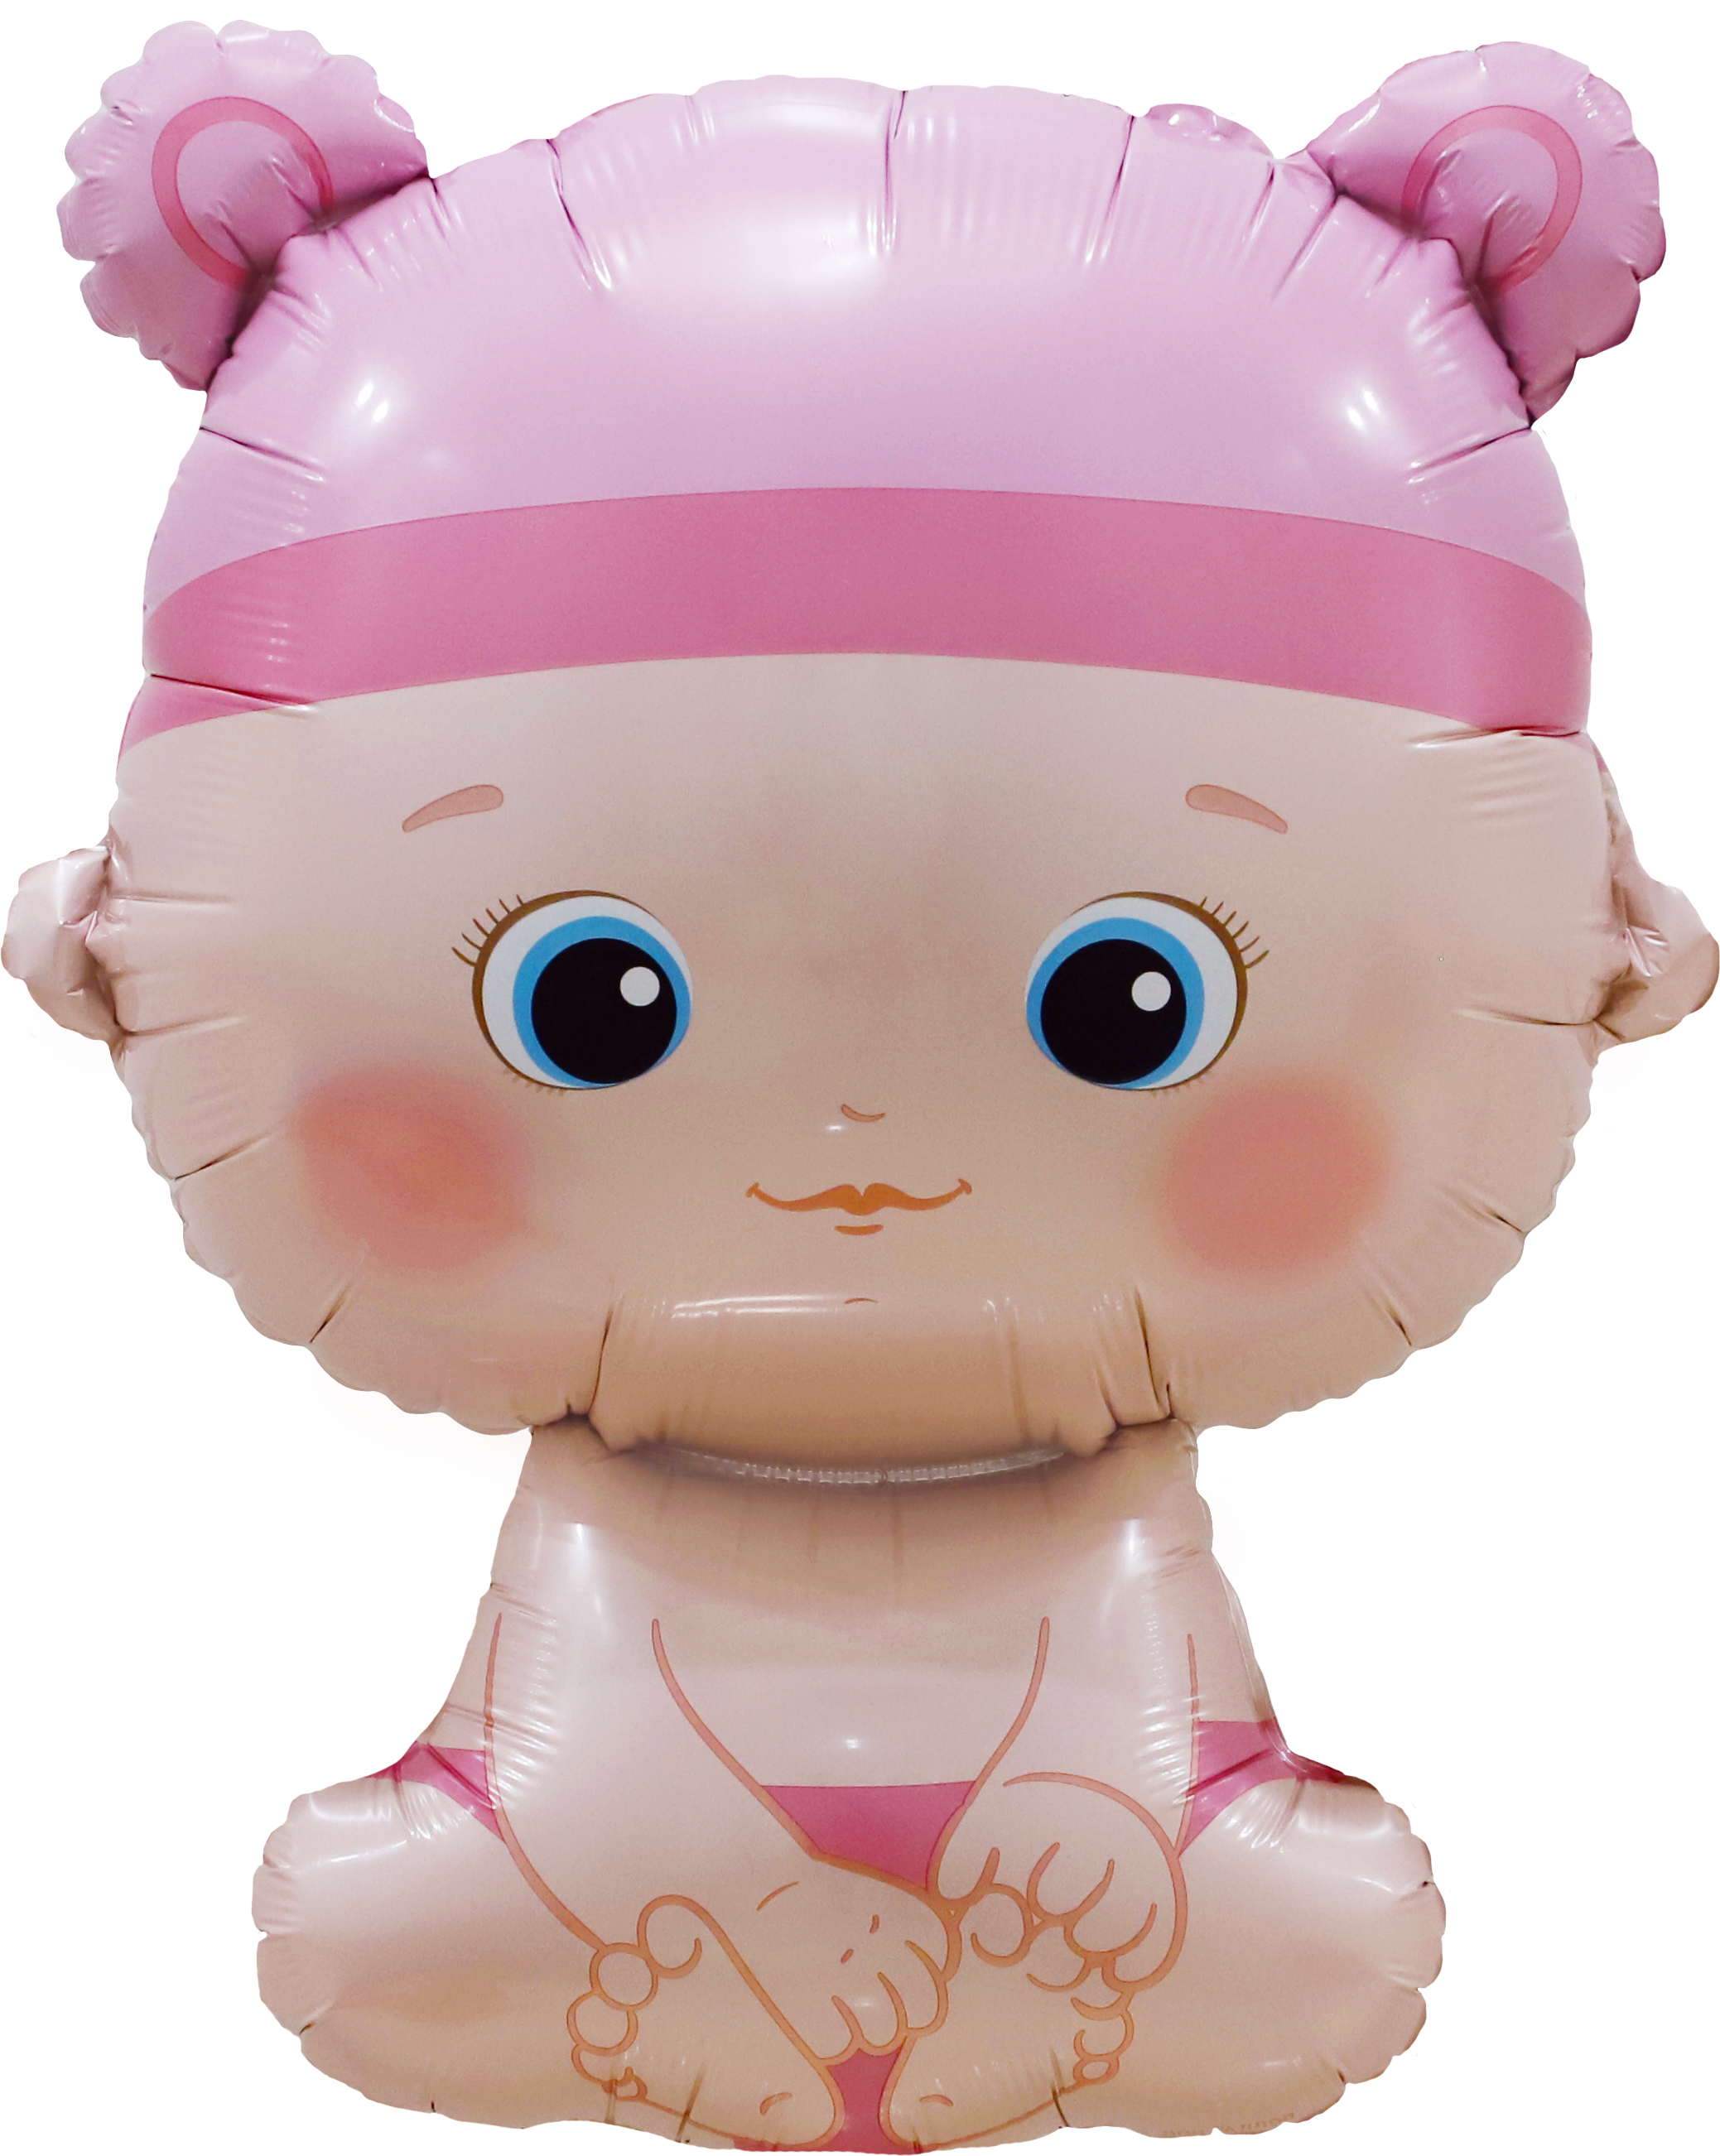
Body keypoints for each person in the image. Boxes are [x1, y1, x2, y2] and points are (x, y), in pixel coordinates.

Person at [8, 22, 1711, 2147]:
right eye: (592, 1007)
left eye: (1132, 1007)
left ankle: (897, 1937)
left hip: (1023, 1729)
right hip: (672, 1729)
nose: (860, 1162)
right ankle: (798, 1940)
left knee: (1125, 1872)